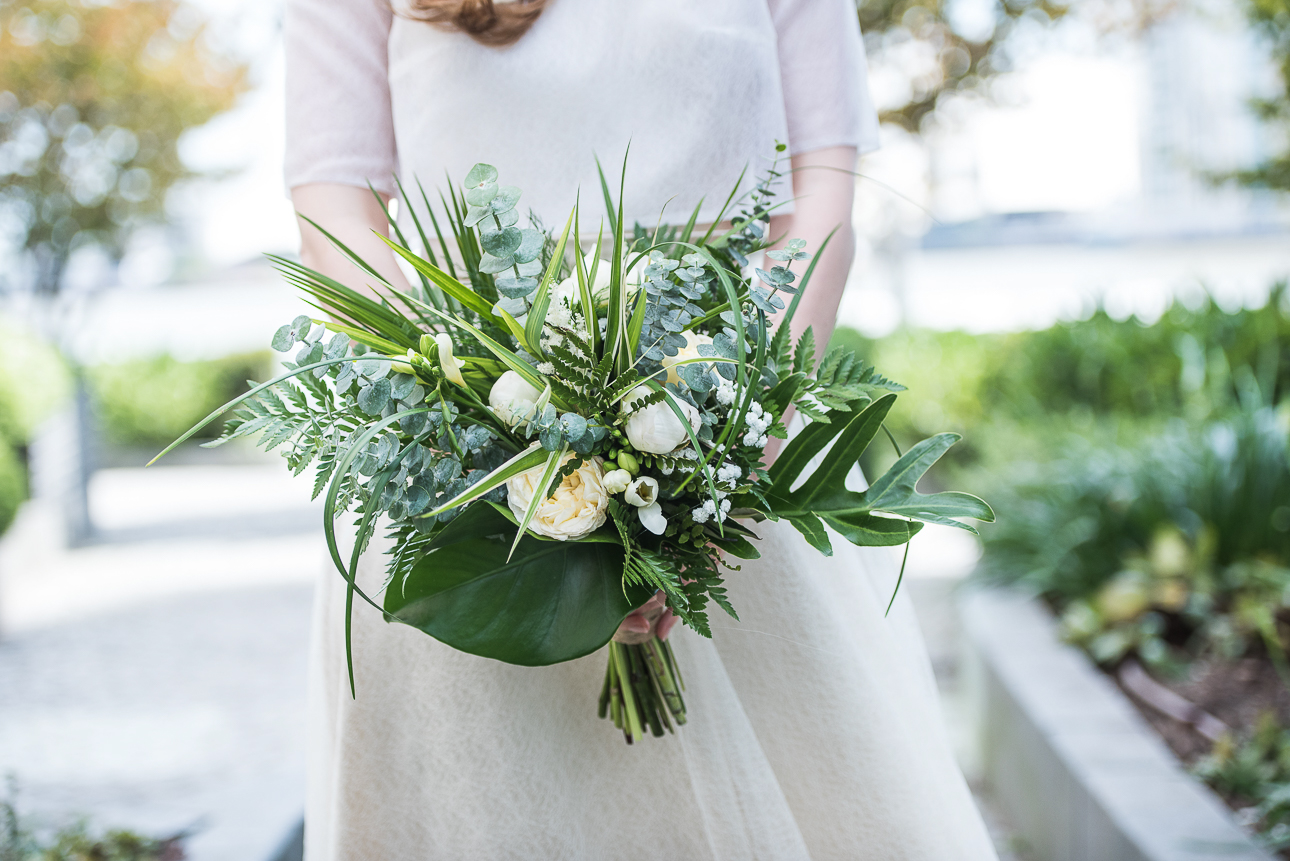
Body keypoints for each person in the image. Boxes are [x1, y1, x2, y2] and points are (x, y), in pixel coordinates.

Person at [284, 1, 1000, 858]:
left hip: (739, 456)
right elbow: (333, 205)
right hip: (463, 492)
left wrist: (735, 434)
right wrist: (464, 413)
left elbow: (823, 198)